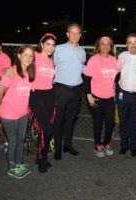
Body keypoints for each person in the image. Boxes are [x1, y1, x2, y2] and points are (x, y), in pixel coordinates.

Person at [0, 45, 35, 179]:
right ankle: (11, 168)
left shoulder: (30, 73)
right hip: (9, 114)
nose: (28, 58)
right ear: (19, 56)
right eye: (25, 54)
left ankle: (18, 163)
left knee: (21, 139)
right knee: (13, 141)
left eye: (31, 55)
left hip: (22, 113)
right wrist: (1, 106)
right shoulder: (12, 72)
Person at [53, 23, 86, 160]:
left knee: (70, 120)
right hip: (60, 89)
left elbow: (82, 68)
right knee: (58, 120)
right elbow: (50, 65)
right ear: (67, 34)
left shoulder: (82, 51)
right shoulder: (58, 49)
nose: (75, 35)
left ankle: (68, 145)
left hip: (77, 90)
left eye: (77, 33)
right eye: (72, 33)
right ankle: (58, 149)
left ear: (80, 35)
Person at [84, 36, 118, 157]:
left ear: (111, 46)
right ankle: (97, 145)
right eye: (102, 44)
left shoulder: (114, 60)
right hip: (95, 96)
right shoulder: (93, 59)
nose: (105, 46)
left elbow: (117, 76)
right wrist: (89, 96)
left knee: (110, 122)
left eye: (107, 44)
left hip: (109, 96)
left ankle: (106, 143)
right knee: (98, 123)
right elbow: (87, 79)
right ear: (99, 46)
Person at [28, 33, 56, 173]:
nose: (50, 48)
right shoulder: (33, 56)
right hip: (36, 95)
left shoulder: (51, 61)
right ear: (42, 44)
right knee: (46, 130)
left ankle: (40, 157)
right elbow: (20, 67)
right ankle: (42, 158)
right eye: (48, 44)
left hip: (50, 95)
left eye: (53, 45)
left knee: (47, 130)